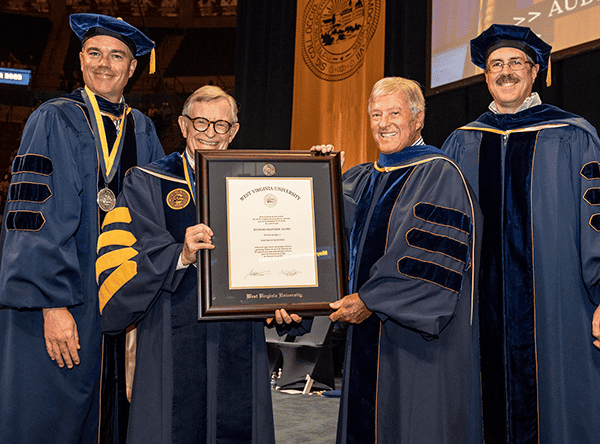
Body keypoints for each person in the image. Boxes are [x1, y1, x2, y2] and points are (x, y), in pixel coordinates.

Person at [0, 13, 164, 444]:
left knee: (114, 416)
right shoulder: (52, 118)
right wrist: (51, 305)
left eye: (117, 55)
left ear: (133, 68)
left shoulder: (143, 129)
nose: (104, 64)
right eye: (94, 53)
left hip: (118, 303)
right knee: (50, 417)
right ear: (80, 60)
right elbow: (32, 219)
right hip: (62, 303)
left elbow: (158, 219)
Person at [97, 85, 292, 444]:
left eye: (220, 125)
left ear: (233, 132)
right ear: (184, 126)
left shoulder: (263, 182)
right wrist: (179, 256)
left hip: (239, 335)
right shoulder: (147, 182)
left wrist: (288, 297)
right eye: (200, 123)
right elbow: (120, 261)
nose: (209, 134)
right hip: (169, 333)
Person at [442, 24, 600, 444]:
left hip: (560, 307)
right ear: (485, 76)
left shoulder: (573, 136)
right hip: (478, 312)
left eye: (516, 63)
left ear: (535, 72)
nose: (505, 71)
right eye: (496, 64)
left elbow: (596, 219)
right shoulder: (462, 142)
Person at [326, 77, 483, 443]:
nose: (383, 123)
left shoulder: (440, 173)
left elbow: (427, 259)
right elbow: (333, 241)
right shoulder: (363, 178)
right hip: (367, 333)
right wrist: (321, 177)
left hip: (413, 343)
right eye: (376, 114)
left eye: (394, 112)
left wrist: (370, 300)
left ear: (417, 118)